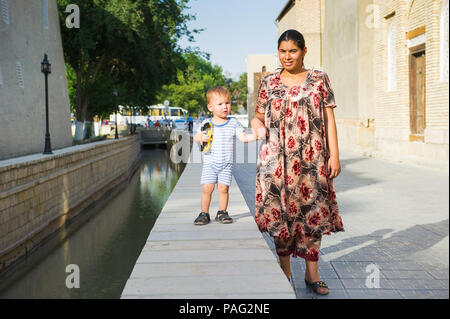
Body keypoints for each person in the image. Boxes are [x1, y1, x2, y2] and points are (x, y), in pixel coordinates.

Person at [250, 29, 345, 295]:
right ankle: (284, 270)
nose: (287, 56)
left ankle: (312, 274)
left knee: (312, 213)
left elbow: (329, 120)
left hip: (312, 160)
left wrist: (334, 155)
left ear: (304, 50)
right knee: (279, 215)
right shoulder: (269, 82)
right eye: (282, 51)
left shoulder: (318, 79)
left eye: (293, 50)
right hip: (275, 161)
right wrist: (257, 126)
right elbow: (257, 115)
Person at [193, 86, 263, 226]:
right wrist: (199, 136)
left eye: (227, 103)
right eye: (220, 104)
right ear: (210, 107)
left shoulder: (233, 123)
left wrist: (256, 136)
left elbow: (243, 137)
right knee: (207, 188)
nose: (225, 106)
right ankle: (204, 213)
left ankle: (222, 212)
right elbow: (197, 137)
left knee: (223, 189)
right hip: (210, 164)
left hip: (226, 164)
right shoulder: (207, 123)